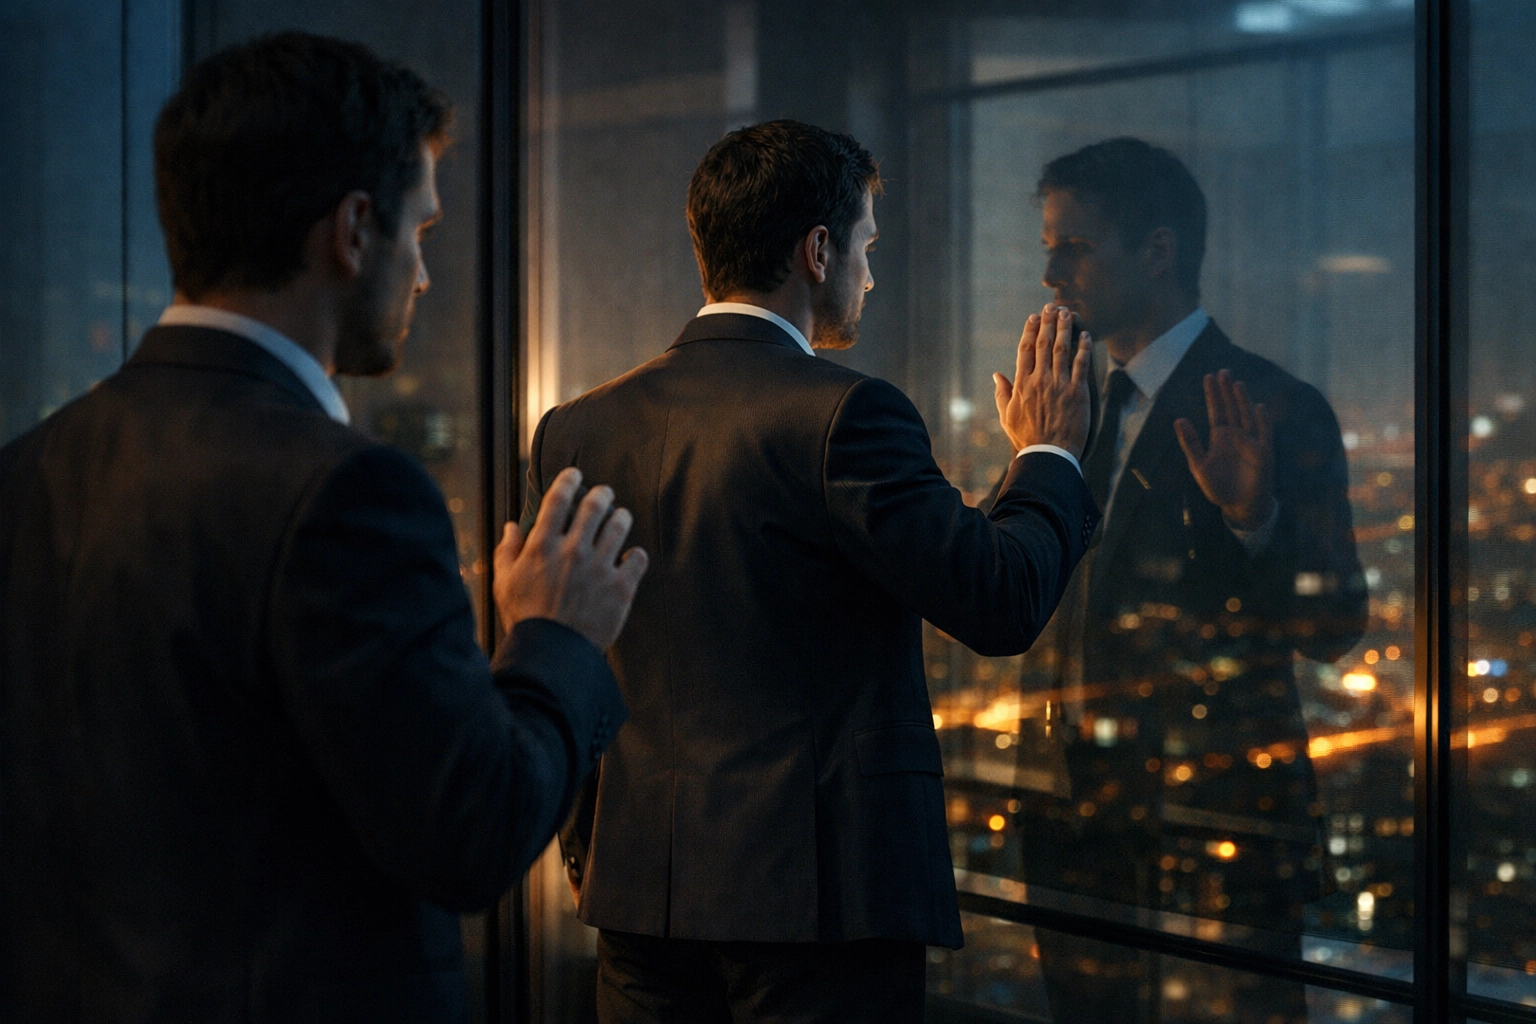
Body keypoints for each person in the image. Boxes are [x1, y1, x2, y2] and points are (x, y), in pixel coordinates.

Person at [0, 32, 646, 1024]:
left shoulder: (32, 468)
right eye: (419, 233)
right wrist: (557, 635)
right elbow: (473, 830)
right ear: (353, 231)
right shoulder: (347, 495)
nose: (424, 274)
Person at [522, 119, 1100, 1023]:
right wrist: (1050, 457)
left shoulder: (577, 426)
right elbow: (1000, 599)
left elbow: (570, 654)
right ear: (818, 250)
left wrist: (594, 850)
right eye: (866, 246)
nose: (870, 274)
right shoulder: (847, 415)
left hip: (638, 899)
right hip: (818, 912)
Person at [1017, 137, 1368, 1023]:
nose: (1052, 272)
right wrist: (1035, 457)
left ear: (1159, 251)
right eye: (1050, 245)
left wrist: (1256, 521)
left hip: (1217, 846)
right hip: (1079, 844)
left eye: (1076, 246)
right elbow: (1017, 590)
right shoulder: (1073, 409)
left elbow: (1335, 627)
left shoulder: (1272, 407)